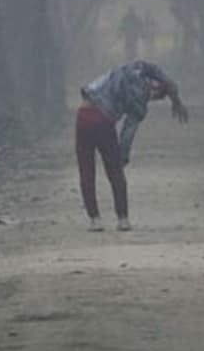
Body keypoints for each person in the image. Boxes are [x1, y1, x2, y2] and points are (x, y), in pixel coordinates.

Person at [76, 60, 189, 231]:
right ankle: (123, 219)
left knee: (86, 169)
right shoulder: (140, 104)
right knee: (115, 173)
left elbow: (154, 69)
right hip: (104, 121)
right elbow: (128, 132)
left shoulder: (135, 68)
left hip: (84, 113)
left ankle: (95, 220)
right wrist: (122, 157)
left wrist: (173, 93)